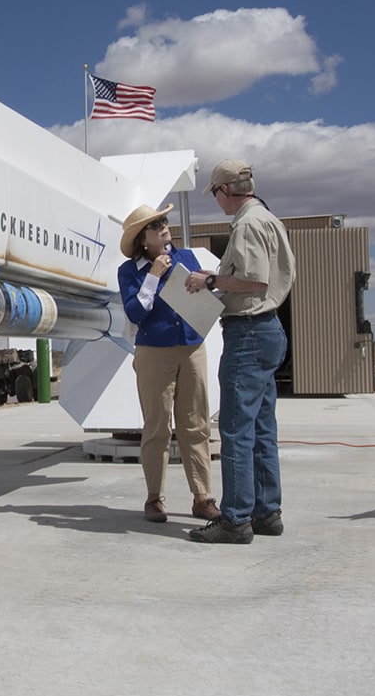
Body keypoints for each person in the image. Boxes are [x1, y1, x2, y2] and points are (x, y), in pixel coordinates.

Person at [185, 160, 296, 544]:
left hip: (248, 334)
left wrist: (209, 280)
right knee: (262, 427)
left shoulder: (247, 225)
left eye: (215, 194)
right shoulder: (269, 220)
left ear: (226, 190)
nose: (217, 201)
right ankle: (267, 511)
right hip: (268, 329)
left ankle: (235, 519)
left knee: (234, 429)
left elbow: (253, 280)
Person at [117, 204, 220, 524]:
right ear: (141, 239)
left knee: (196, 425)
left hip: (191, 347)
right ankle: (154, 498)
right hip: (154, 351)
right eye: (155, 225)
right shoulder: (129, 271)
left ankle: (202, 496)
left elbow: (202, 290)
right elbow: (136, 313)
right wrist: (153, 275)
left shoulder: (187, 257)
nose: (164, 227)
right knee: (157, 426)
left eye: (164, 221)